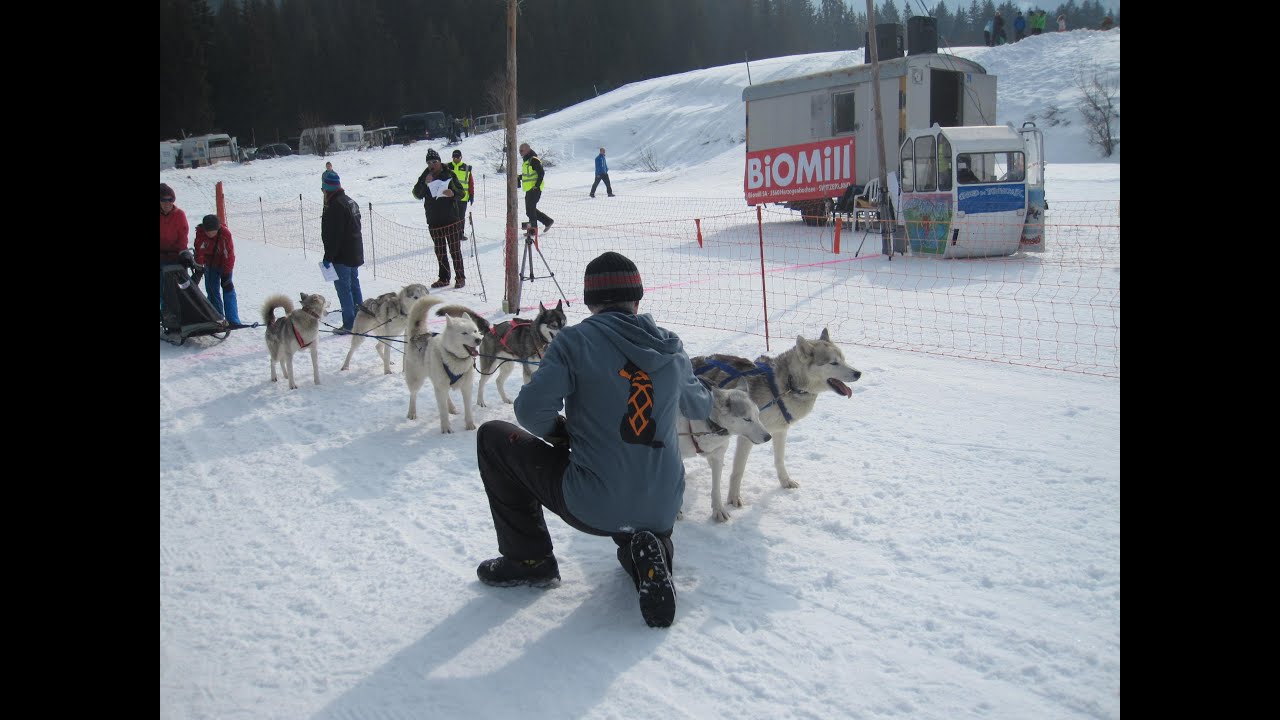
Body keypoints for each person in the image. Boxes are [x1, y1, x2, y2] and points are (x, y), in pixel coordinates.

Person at [473, 251, 712, 628]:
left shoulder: (574, 342)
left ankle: (528, 560)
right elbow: (699, 406)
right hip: (663, 503)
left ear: (589, 301)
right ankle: (651, 554)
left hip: (594, 502)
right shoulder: (669, 345)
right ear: (638, 297)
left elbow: (530, 412)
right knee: (638, 503)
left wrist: (562, 433)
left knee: (492, 437)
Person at [414, 148, 466, 289]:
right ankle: (443, 278)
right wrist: (425, 183)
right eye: (429, 162)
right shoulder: (425, 176)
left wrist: (452, 193)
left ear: (439, 161)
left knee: (455, 250)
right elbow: (416, 194)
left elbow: (462, 192)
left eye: (434, 161)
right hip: (434, 220)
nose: (432, 165)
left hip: (451, 219)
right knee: (440, 251)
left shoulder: (449, 174)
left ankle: (460, 277)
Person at [320, 169, 364, 333]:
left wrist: (328, 257)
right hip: (355, 253)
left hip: (342, 256)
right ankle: (361, 319)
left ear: (327, 189)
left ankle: (349, 324)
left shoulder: (335, 206)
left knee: (344, 290)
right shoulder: (350, 201)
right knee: (354, 286)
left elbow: (334, 236)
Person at [193, 214, 241, 325]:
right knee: (212, 290)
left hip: (225, 265)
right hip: (210, 265)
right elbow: (199, 253)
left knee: (228, 290)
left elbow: (229, 255)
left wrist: (227, 273)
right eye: (208, 231)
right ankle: (217, 317)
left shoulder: (225, 234)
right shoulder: (200, 235)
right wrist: (199, 268)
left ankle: (233, 320)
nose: (211, 234)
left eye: (213, 231)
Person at [159, 183, 191, 313]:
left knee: (182, 289)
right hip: (161, 258)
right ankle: (167, 316)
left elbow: (183, 236)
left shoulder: (179, 215)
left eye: (170, 200)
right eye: (164, 200)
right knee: (163, 290)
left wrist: (183, 253)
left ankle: (184, 316)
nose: (167, 203)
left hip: (176, 257)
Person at [518, 142, 554, 233]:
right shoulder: (527, 161)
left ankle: (533, 231)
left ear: (527, 150)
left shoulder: (533, 160)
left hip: (535, 189)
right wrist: (519, 177)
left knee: (530, 210)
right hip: (529, 189)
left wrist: (537, 186)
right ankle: (547, 221)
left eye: (521, 150)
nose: (520, 153)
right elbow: (528, 175)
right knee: (530, 210)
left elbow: (541, 173)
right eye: (519, 151)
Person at [448, 148, 475, 223]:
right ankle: (452, 234)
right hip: (450, 197)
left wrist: (471, 194)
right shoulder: (447, 167)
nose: (456, 159)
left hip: (463, 198)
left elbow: (471, 183)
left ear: (461, 157)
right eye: (454, 157)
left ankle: (460, 234)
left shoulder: (466, 168)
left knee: (461, 218)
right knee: (450, 218)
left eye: (458, 157)